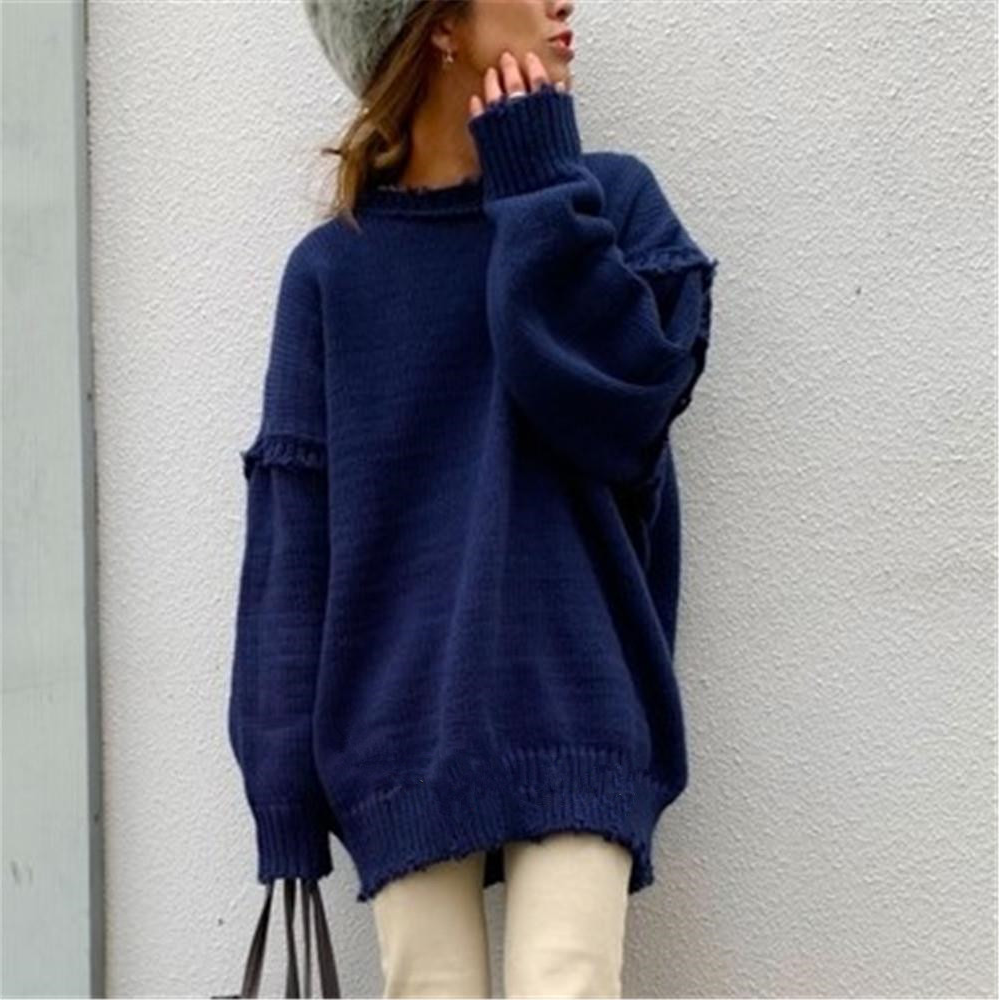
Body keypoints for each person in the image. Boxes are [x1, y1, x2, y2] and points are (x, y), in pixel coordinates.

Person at [227, 0, 719, 996]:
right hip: (397, 730)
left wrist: (537, 188)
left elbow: (620, 410)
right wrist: (282, 801)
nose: (561, 3)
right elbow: (292, 542)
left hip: (578, 698)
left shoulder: (606, 205)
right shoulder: (334, 272)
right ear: (439, 27)